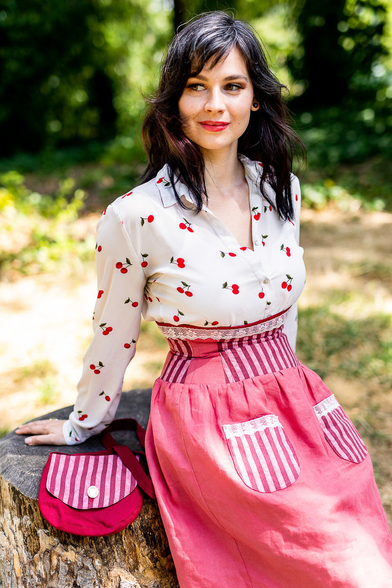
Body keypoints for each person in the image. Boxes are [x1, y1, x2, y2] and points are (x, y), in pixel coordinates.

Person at [16, 11, 392, 588]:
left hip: (299, 399)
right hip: (210, 418)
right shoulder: (137, 215)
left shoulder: (279, 187)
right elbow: (113, 329)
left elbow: (284, 309)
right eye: (197, 87)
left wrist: (290, 389)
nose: (215, 105)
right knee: (340, 566)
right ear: (174, 102)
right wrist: (83, 421)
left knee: (365, 542)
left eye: (233, 86)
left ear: (256, 99)